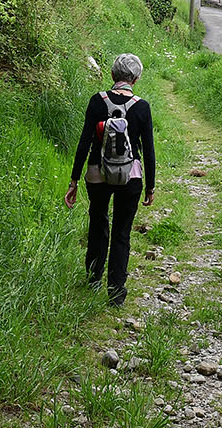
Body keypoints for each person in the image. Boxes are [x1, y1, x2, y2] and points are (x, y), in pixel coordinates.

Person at [65, 53, 156, 306]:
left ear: (113, 75)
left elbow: (84, 143)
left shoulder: (97, 101)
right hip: (131, 177)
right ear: (136, 79)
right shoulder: (142, 107)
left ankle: (93, 279)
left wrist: (74, 181)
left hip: (97, 174)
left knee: (98, 224)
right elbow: (148, 150)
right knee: (122, 232)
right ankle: (116, 292)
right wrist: (150, 186)